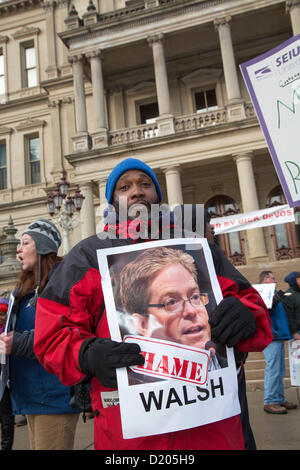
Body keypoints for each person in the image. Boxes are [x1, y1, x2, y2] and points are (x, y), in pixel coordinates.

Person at [33, 158, 272, 450]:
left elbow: (252, 305)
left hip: (213, 429)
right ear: (112, 200)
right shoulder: (87, 256)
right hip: (133, 434)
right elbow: (51, 333)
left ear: (157, 196)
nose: (136, 191)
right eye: (125, 186)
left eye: (145, 184)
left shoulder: (196, 246)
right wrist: (86, 354)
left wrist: (246, 316)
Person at [0, 220, 80, 450]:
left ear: (43, 246)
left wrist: (17, 342)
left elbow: (64, 334)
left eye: (25, 243)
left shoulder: (60, 285)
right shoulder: (26, 288)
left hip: (53, 396)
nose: (18, 248)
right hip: (31, 396)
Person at [258, 271, 297, 414]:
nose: (275, 280)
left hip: (278, 335)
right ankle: (270, 401)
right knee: (273, 368)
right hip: (270, 336)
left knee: (279, 369)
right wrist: (274, 300)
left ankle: (279, 398)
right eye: (272, 278)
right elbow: (264, 310)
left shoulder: (274, 293)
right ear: (265, 279)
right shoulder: (262, 292)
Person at [0, 297, 15, 450]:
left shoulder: (10, 330)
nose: (0, 316)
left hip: (8, 381)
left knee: (7, 421)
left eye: (3, 313)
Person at [282, 271, 300, 341]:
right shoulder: (288, 296)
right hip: (298, 332)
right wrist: (294, 333)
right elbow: (289, 316)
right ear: (293, 281)